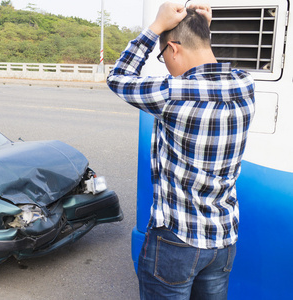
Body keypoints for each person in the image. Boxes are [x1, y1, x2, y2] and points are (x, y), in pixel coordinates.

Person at [107, 2, 255, 299]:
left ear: (173, 49)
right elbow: (210, 68)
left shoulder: (171, 93)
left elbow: (118, 77)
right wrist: (202, 32)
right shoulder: (244, 85)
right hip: (223, 238)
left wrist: (155, 28)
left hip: (177, 239)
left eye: (163, 56)